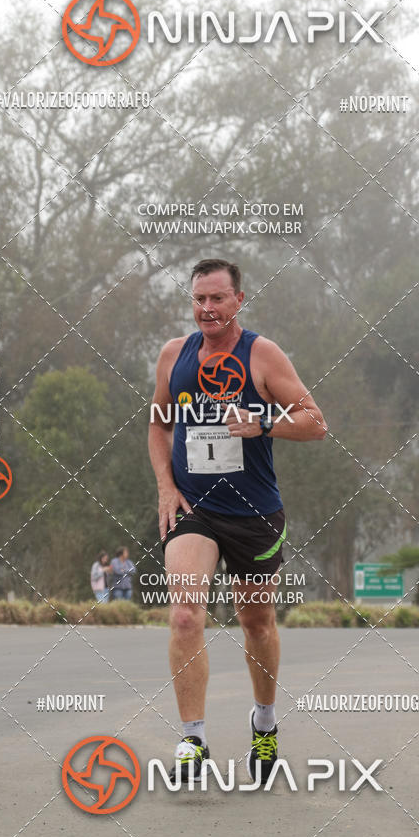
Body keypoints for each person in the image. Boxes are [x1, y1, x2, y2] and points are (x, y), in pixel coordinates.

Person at [148, 258, 327, 784]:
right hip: (193, 508)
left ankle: (265, 724)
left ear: (238, 301)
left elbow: (317, 424)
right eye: (199, 298)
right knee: (184, 614)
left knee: (257, 622)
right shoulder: (173, 355)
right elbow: (157, 426)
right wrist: (165, 484)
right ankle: (193, 740)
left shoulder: (262, 354)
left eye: (217, 299)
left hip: (253, 512)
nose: (207, 308)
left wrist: (263, 422)